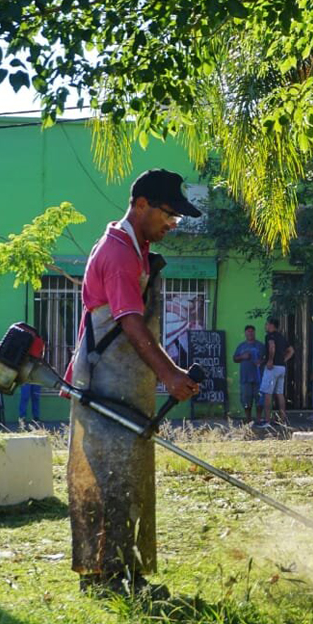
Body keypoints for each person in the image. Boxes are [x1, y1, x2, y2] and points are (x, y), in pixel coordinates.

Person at [64, 168, 203, 599]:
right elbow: (129, 322)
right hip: (103, 386)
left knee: (130, 480)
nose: (172, 224)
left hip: (126, 386)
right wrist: (170, 374)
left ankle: (126, 574)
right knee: (109, 482)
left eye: (177, 218)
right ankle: (104, 580)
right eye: (169, 214)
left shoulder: (138, 248)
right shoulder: (119, 252)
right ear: (141, 204)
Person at [259, 317, 294, 426]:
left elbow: (272, 347)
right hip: (281, 367)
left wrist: (270, 360)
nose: (265, 326)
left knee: (267, 393)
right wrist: (283, 360)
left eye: (267, 324)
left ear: (271, 325)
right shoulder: (281, 337)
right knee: (280, 393)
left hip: (272, 368)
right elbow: (291, 351)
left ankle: (267, 420)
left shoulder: (270, 336)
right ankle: (282, 420)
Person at [232, 324, 266, 422]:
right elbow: (235, 358)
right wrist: (242, 356)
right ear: (245, 333)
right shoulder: (241, 346)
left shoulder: (260, 345)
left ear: (254, 333)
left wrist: (261, 361)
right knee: (246, 399)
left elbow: (267, 358)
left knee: (259, 399)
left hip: (259, 378)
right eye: (248, 331)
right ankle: (248, 419)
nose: (250, 333)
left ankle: (259, 419)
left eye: (252, 331)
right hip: (245, 378)